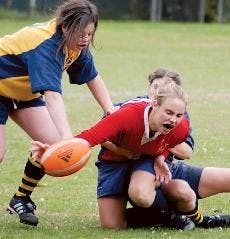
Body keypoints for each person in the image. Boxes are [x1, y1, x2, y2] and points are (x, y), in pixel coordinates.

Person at [32, 80, 206, 229]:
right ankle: (169, 213)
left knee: (141, 194)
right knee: (112, 226)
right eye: (169, 112)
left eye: (179, 115)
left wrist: (161, 156)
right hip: (114, 162)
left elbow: (171, 143)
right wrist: (52, 150)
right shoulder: (126, 116)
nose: (174, 119)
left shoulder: (180, 127)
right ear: (154, 104)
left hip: (144, 161)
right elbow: (88, 137)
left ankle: (177, 212)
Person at [0, 0, 114, 226]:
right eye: (81, 33)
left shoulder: (76, 44)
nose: (85, 39)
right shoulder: (46, 45)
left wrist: (110, 111)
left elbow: (92, 77)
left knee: (52, 150)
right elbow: (52, 96)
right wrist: (67, 138)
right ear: (64, 27)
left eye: (90, 34)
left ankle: (20, 198)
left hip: (23, 94)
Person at [101, 68, 230, 229]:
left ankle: (192, 216)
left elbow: (186, 151)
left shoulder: (177, 114)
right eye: (155, 87)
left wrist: (160, 137)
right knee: (112, 224)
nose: (158, 92)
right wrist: (124, 149)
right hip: (122, 169)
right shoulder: (128, 109)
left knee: (224, 179)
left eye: (166, 88)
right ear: (149, 87)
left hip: (164, 169)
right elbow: (101, 135)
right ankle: (170, 215)